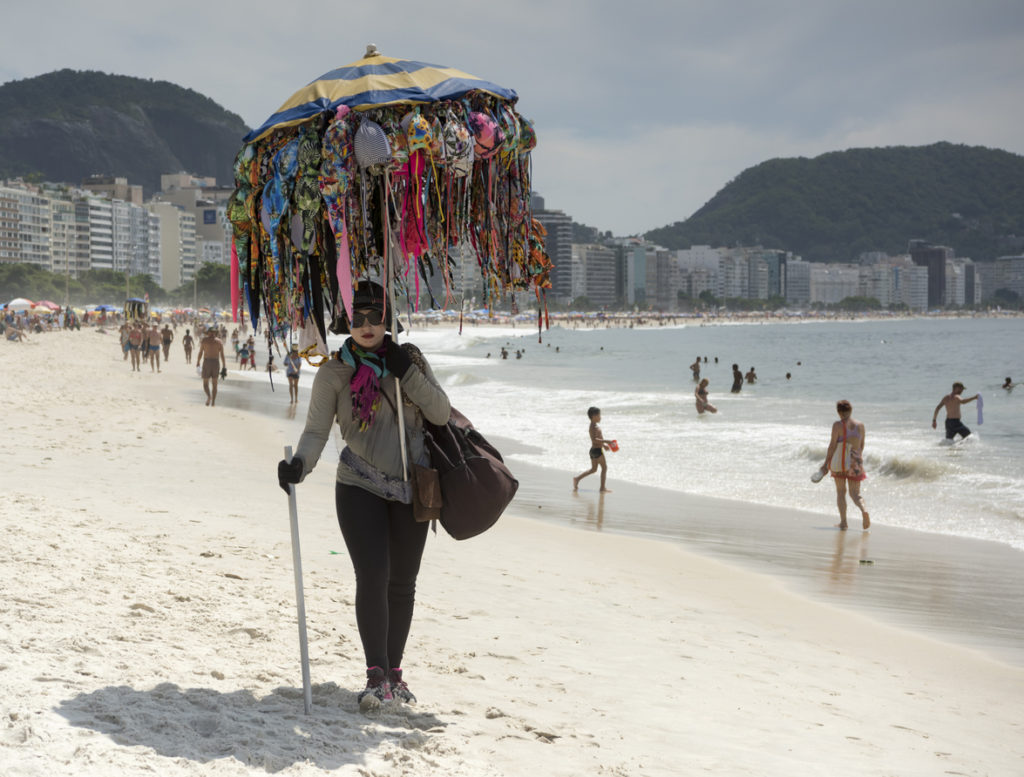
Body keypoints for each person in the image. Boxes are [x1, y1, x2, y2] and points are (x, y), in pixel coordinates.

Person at [277, 280, 450, 708]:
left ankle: (395, 673)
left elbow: (441, 412)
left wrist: (404, 371)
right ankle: (375, 676)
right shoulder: (335, 371)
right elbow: (317, 431)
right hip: (358, 486)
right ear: (346, 323)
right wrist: (299, 465)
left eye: (376, 316)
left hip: (412, 490)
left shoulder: (408, 359)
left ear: (388, 318)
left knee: (402, 584)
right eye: (359, 318)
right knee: (372, 577)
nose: (368, 325)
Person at [819, 399, 869, 531]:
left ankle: (844, 522)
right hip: (856, 461)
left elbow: (832, 445)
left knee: (841, 492)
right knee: (855, 494)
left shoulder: (837, 425)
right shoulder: (861, 425)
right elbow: (861, 446)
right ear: (851, 410)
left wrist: (825, 464)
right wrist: (856, 460)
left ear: (838, 412)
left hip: (840, 462)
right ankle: (864, 510)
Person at [572, 406, 611, 492]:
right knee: (604, 468)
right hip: (597, 451)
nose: (600, 417)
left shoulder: (594, 426)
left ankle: (577, 479)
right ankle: (602, 488)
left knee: (593, 469)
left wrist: (604, 445)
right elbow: (594, 440)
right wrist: (606, 441)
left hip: (593, 450)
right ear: (593, 416)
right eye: (599, 415)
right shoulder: (593, 427)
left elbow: (597, 439)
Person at [197, 327, 227, 406]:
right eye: (211, 332)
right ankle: (211, 399)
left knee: (209, 383)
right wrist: (224, 366)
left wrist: (224, 366)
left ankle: (211, 399)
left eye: (213, 332)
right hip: (214, 363)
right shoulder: (218, 342)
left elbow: (201, 352)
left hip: (208, 362)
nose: (212, 333)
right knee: (211, 384)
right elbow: (222, 355)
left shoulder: (205, 341)